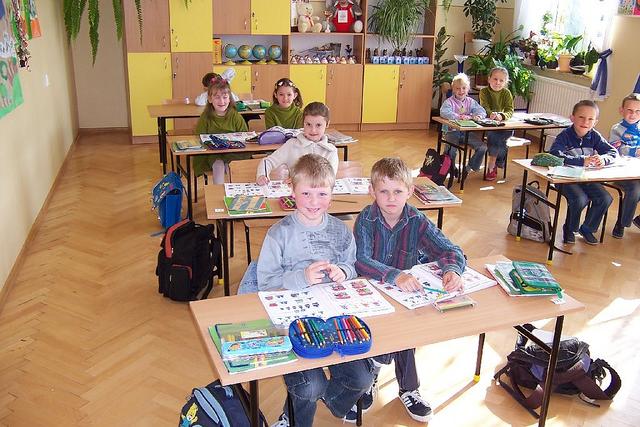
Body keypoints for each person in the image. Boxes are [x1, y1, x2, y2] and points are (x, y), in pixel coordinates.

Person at [238, 154, 375, 427]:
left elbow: (351, 266)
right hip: (292, 319)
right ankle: (294, 416)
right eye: (306, 193)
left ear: (332, 193)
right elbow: (267, 282)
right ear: (292, 190)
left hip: (332, 316)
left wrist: (343, 272)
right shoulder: (279, 233)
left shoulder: (340, 231)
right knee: (310, 385)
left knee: (362, 378)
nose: (314, 202)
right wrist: (302, 277)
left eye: (322, 193)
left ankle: (330, 401)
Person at [351, 157, 466, 423]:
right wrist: (395, 275)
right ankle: (371, 375)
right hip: (371, 292)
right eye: (384, 191)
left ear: (410, 191)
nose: (391, 198)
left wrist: (452, 270)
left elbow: (450, 250)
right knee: (384, 332)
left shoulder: (417, 220)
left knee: (406, 333)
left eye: (398, 191)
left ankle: (408, 389)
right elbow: (361, 260)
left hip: (404, 296)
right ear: (372, 191)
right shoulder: (366, 219)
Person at [550, 100, 617, 245]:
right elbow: (555, 155)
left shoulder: (595, 136)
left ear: (595, 122)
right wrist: (581, 161)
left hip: (586, 178)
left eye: (590, 119)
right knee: (580, 198)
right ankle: (570, 229)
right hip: (564, 178)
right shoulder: (564, 136)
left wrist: (603, 159)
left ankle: (587, 229)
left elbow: (612, 152)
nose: (585, 122)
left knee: (605, 198)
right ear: (572, 118)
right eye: (581, 117)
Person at [256, 102, 338, 185]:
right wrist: (262, 175)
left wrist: (299, 180)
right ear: (303, 123)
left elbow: (329, 179)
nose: (313, 130)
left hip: (320, 192)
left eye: (318, 125)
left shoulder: (331, 151)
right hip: (294, 192)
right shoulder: (291, 145)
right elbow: (267, 161)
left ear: (327, 124)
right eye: (308, 124)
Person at [193, 78, 249, 183]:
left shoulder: (235, 116)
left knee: (231, 166)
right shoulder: (205, 117)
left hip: (233, 152)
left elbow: (245, 136)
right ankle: (219, 192)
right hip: (213, 153)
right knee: (218, 166)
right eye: (217, 97)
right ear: (210, 99)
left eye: (225, 97)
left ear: (229, 99)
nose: (221, 101)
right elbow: (199, 138)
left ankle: (234, 191)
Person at [440, 73, 488, 178]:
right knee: (451, 150)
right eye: (457, 88)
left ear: (468, 89)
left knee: (483, 147)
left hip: (466, 133)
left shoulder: (471, 102)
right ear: (453, 89)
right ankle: (452, 168)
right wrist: (458, 117)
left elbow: (481, 111)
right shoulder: (449, 102)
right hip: (452, 132)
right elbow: (444, 112)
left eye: (464, 88)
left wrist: (479, 116)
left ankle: (468, 168)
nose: (461, 91)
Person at [609, 93, 640, 238]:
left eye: (638, 111)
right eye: (630, 110)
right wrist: (635, 151)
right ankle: (621, 223)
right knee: (635, 190)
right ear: (621, 110)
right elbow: (616, 149)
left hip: (637, 171)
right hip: (622, 172)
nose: (633, 114)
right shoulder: (617, 129)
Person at [479, 66, 514, 181]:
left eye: (501, 80)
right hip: (490, 125)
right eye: (495, 79)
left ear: (505, 82)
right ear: (489, 79)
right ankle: (494, 163)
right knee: (494, 136)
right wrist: (491, 114)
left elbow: (510, 110)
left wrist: (502, 116)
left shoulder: (506, 93)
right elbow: (484, 107)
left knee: (499, 137)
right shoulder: (484, 92)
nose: (497, 82)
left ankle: (493, 163)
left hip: (504, 126)